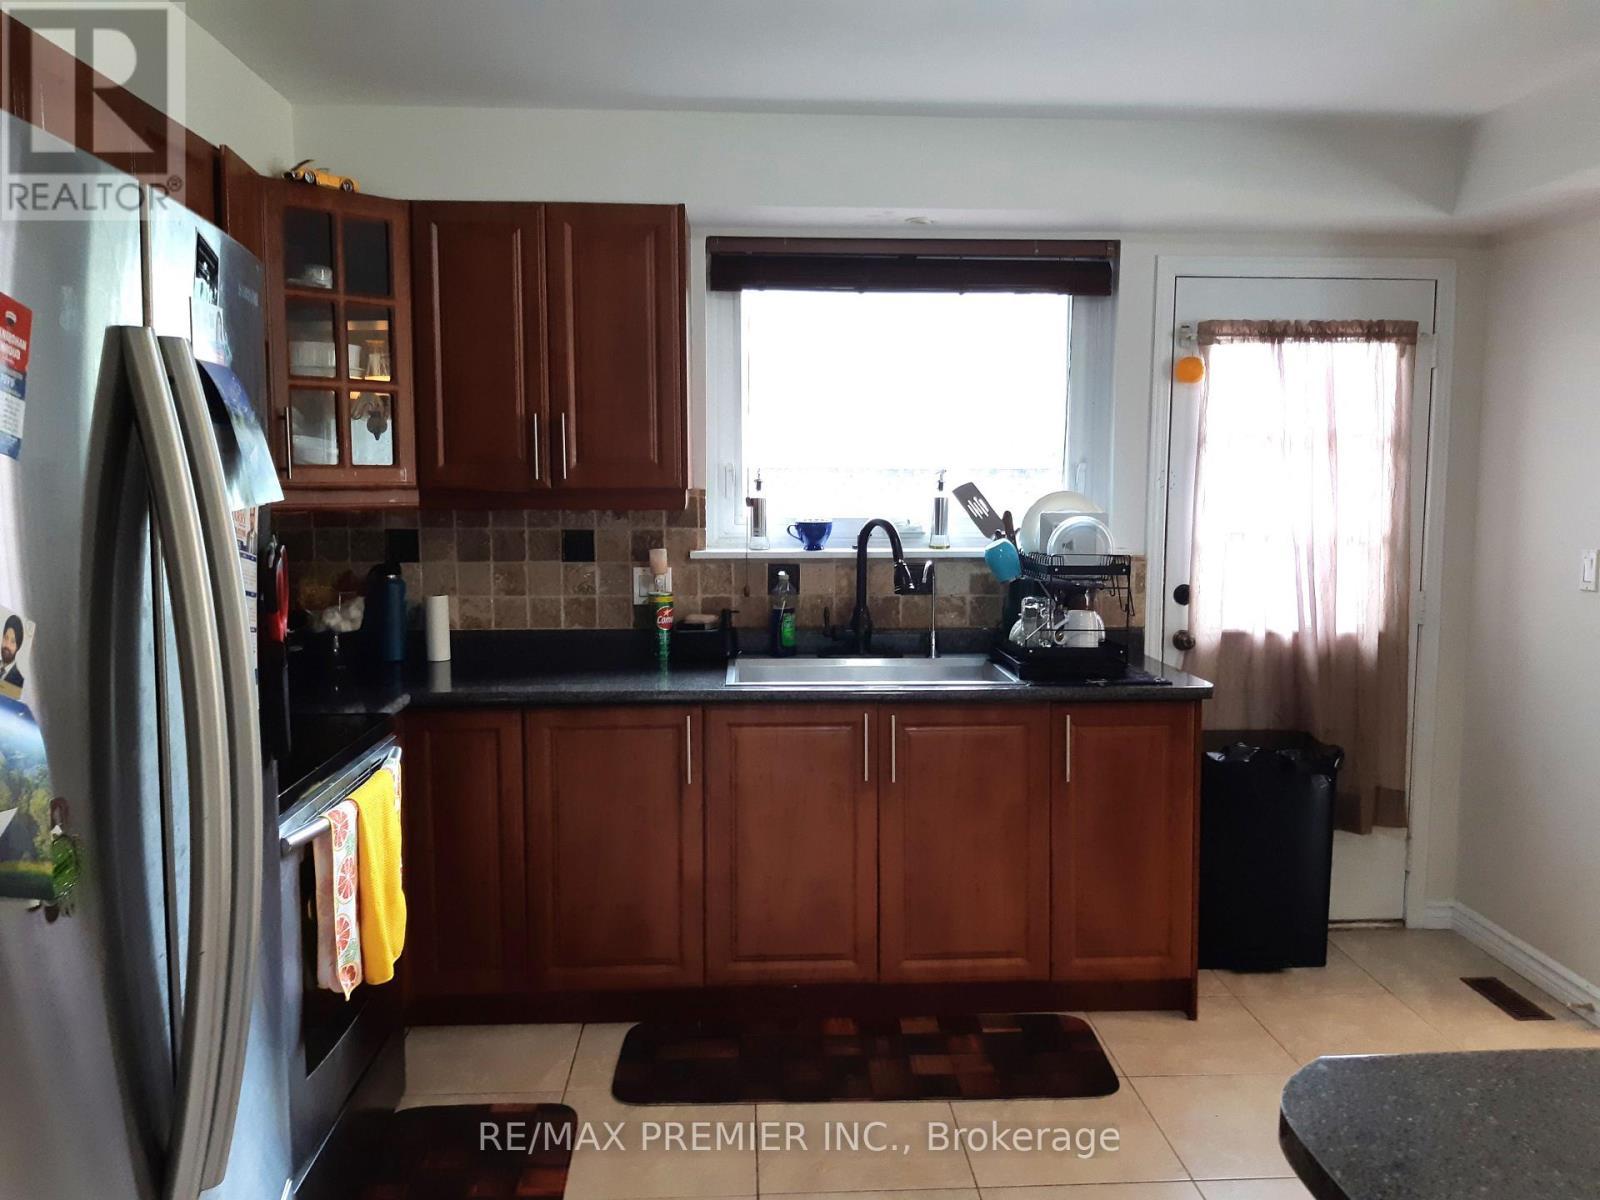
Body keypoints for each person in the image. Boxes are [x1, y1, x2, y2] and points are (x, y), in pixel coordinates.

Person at [1, 615, 24, 691]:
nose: (7, 645)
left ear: (18, 646)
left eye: (13, 641)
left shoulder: (19, 681)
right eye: (6, 638)